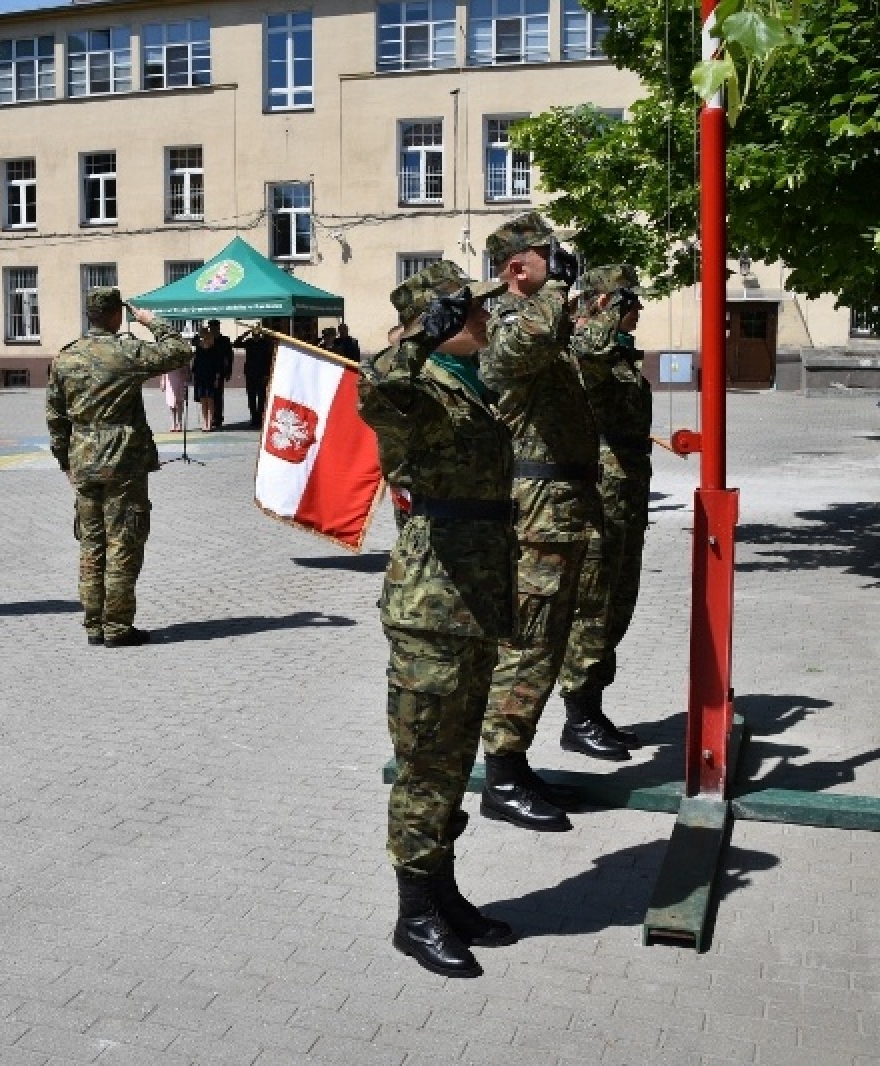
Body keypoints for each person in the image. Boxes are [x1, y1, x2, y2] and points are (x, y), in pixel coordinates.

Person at [359, 260, 516, 978]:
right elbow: (376, 387)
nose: (484, 318)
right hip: (432, 604)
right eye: (469, 311)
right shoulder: (415, 386)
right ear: (437, 320)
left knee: (455, 762)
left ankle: (444, 894)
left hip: (475, 597)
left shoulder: (467, 387)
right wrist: (420, 337)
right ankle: (413, 914)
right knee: (426, 764)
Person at [476, 214, 608, 840]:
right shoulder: (505, 321)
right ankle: (501, 774)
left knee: (548, 643)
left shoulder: (542, 319)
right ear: (518, 265)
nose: (559, 265)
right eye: (547, 255)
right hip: (535, 514)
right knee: (526, 644)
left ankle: (516, 761)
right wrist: (554, 289)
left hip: (562, 509)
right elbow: (519, 350)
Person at [46, 288, 192, 647]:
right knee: (123, 542)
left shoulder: (65, 358)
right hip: (121, 461)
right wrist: (149, 321)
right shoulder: (126, 351)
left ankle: (94, 624)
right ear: (116, 315)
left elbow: (55, 415)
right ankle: (117, 627)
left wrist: (64, 459)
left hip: (83, 459)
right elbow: (180, 350)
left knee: (91, 544)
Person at [557, 267, 654, 761]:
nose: (637, 309)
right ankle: (578, 715)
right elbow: (587, 351)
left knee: (618, 603)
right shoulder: (585, 349)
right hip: (599, 499)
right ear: (599, 305)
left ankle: (592, 708)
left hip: (627, 498)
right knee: (593, 608)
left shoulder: (619, 354)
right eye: (627, 300)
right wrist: (605, 310)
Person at [240, 329, 275, 429]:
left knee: (261, 397)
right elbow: (236, 344)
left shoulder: (265, 343)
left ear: (260, 334)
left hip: (261, 374)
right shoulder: (249, 342)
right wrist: (245, 334)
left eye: (257, 334)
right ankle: (254, 418)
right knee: (251, 397)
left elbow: (268, 359)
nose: (256, 336)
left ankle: (260, 419)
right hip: (250, 373)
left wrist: (267, 374)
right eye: (254, 334)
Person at [191, 326, 223, 432]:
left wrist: (217, 378)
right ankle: (204, 422)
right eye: (202, 334)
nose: (204, 337)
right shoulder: (199, 348)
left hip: (211, 377)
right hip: (200, 377)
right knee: (203, 400)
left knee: (210, 400)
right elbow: (193, 342)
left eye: (206, 335)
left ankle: (210, 423)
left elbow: (218, 365)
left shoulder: (215, 349)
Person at [207, 319, 234, 429]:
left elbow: (229, 357)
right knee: (208, 396)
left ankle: (218, 418)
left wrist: (229, 371)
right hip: (207, 371)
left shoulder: (224, 340)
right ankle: (210, 417)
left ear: (218, 328)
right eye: (211, 327)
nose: (213, 329)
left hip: (220, 371)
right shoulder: (207, 340)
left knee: (218, 395)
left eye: (215, 327)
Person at [160, 363, 189, 432]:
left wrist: (187, 375)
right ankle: (173, 423)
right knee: (171, 402)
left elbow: (186, 367)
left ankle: (179, 423)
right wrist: (163, 380)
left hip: (180, 377)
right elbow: (163, 368)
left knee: (179, 401)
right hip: (170, 380)